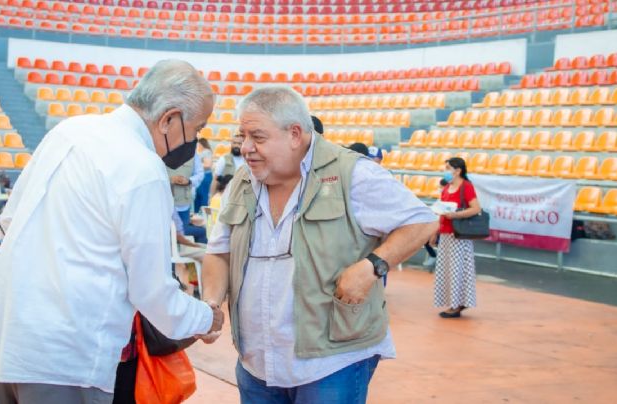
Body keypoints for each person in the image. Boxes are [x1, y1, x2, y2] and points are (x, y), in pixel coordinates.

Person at [0, 60, 224, 404]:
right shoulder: (143, 169)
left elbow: (11, 219)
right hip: (63, 359)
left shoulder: (69, 131)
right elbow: (152, 292)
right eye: (197, 128)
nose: (195, 140)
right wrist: (206, 317)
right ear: (169, 119)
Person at [201, 87, 437, 403]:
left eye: (257, 137)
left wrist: (371, 268)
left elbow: (423, 221)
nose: (245, 148)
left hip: (331, 363)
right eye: (242, 136)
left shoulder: (352, 174)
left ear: (295, 134)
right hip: (256, 363)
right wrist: (212, 302)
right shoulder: (243, 181)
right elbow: (219, 251)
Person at [430, 157, 481, 319]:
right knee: (448, 270)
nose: (445, 171)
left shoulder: (466, 187)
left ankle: (457, 304)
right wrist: (435, 232)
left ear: (457, 170)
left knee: (458, 269)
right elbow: (441, 211)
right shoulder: (447, 188)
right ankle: (455, 302)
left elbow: (476, 208)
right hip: (446, 233)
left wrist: (456, 215)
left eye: (448, 167)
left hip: (459, 234)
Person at [168, 155, 207, 244]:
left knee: (180, 233)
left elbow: (200, 174)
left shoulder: (192, 153)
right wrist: (170, 179)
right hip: (168, 203)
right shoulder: (162, 149)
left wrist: (189, 181)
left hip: (184, 205)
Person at [209, 133, 244, 197]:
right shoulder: (223, 159)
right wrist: (212, 197)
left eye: (239, 144)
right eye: (234, 143)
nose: (236, 145)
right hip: (225, 196)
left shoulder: (248, 161)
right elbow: (215, 179)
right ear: (231, 143)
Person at [194, 137, 213, 214]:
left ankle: (205, 216)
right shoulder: (202, 152)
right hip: (202, 176)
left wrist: (197, 166)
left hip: (205, 176)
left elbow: (208, 165)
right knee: (198, 196)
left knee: (203, 196)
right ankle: (197, 214)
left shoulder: (206, 152)